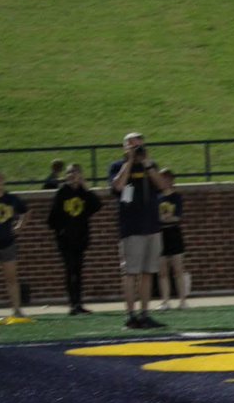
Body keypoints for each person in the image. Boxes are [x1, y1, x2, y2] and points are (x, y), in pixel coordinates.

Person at [109, 132, 169, 329]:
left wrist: (148, 164)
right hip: (131, 227)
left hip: (151, 225)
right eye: (133, 145)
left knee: (148, 272)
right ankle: (130, 314)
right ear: (125, 147)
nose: (137, 149)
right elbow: (118, 186)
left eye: (140, 145)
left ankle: (145, 314)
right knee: (130, 272)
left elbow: (163, 187)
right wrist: (130, 161)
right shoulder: (118, 166)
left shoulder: (150, 166)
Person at [46, 163, 103, 315]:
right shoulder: (62, 192)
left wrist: (85, 186)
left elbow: (97, 206)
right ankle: (73, 304)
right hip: (66, 240)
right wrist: (63, 230)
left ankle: (79, 303)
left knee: (78, 271)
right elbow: (51, 219)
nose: (73, 175)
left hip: (81, 238)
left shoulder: (83, 193)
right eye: (70, 172)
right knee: (70, 269)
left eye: (76, 172)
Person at [156, 169, 190, 311]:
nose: (165, 182)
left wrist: (168, 218)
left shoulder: (176, 197)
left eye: (167, 179)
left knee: (178, 269)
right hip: (160, 234)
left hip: (174, 233)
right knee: (162, 271)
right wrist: (162, 219)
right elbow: (154, 217)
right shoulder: (156, 197)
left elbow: (178, 217)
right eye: (162, 179)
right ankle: (165, 301)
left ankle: (182, 301)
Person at [0, 172, 28, 320]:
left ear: (3, 181)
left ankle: (16, 310)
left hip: (8, 242)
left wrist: (19, 226)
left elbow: (25, 211)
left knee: (11, 277)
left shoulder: (11, 199)